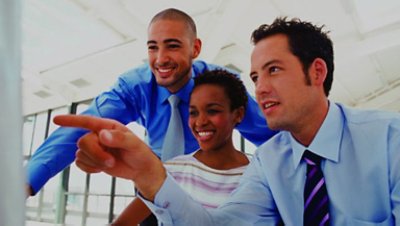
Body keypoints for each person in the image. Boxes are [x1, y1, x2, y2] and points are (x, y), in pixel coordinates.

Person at [54, 17, 400, 225]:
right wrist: (150, 175)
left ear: (317, 71)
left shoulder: (390, 140)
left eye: (273, 70)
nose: (261, 88)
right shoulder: (269, 162)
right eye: (255, 77)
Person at [25, 8, 276, 198]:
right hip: (152, 187)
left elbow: (269, 135)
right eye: (153, 47)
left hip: (211, 188)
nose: (161, 59)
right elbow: (74, 133)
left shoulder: (220, 86)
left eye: (173, 46)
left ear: (195, 48)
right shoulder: (134, 86)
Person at [111, 69, 250, 225]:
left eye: (212, 111)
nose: (200, 122)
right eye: (193, 112)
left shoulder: (258, 174)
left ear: (238, 114)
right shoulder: (171, 170)